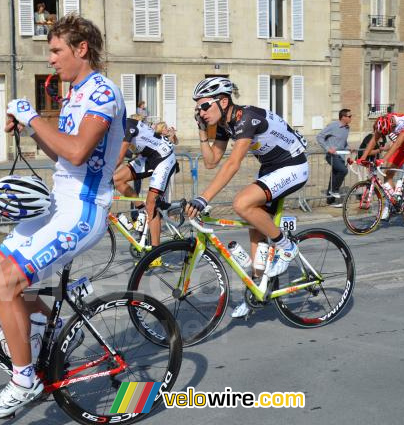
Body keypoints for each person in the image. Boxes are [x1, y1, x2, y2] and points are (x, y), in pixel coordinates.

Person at [0, 14, 125, 418]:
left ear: (82, 49)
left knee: (9, 283)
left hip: (81, 210)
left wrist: (33, 118)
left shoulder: (101, 93)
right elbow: (60, 152)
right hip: (56, 203)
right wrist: (31, 130)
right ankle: (43, 330)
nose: (51, 59)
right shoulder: (75, 94)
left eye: (57, 51)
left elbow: (77, 152)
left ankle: (24, 379)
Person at [185, 76, 309, 319]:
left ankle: (287, 247)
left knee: (241, 203)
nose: (200, 112)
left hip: (293, 166)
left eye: (204, 106)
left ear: (223, 101)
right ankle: (257, 290)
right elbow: (211, 162)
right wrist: (202, 130)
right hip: (272, 169)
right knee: (256, 229)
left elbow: (233, 164)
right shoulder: (224, 124)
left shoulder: (247, 119)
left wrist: (203, 198)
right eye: (197, 108)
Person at [113, 117, 177, 247]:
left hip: (164, 158)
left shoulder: (127, 125)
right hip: (148, 157)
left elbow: (119, 158)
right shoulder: (113, 128)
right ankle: (142, 212)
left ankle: (155, 254)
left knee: (151, 204)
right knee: (116, 180)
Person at [358, 112, 404, 220]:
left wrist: (383, 160)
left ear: (392, 125)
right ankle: (392, 203)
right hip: (403, 144)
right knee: (387, 174)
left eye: (388, 132)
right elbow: (374, 140)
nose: (388, 134)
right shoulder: (383, 122)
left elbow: (397, 144)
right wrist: (362, 158)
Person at [316, 109, 352, 207]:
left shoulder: (347, 128)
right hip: (331, 155)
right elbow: (319, 136)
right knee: (343, 171)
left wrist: (348, 148)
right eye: (349, 116)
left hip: (341, 156)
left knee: (335, 175)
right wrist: (327, 148)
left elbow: (343, 142)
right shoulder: (333, 126)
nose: (351, 118)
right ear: (343, 117)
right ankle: (334, 190)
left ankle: (330, 200)